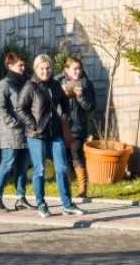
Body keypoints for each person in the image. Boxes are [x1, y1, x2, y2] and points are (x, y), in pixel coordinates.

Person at [16, 54, 85, 218]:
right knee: (39, 170)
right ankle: (41, 204)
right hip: (36, 135)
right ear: (36, 69)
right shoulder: (30, 86)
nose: (45, 71)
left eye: (48, 68)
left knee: (62, 168)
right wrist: (33, 124)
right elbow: (20, 108)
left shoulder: (55, 84)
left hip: (55, 134)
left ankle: (67, 204)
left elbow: (64, 101)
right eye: (42, 68)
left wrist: (65, 115)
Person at [0, 52, 34, 212]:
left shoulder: (24, 84)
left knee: (22, 166)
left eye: (24, 65)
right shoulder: (4, 84)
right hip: (11, 133)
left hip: (26, 133)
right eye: (19, 65)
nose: (23, 68)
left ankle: (20, 198)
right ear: (10, 66)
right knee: (7, 164)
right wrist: (14, 123)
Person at [55, 56, 97, 198]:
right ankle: (65, 189)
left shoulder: (86, 83)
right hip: (59, 125)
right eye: (75, 69)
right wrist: (60, 92)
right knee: (62, 158)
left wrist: (80, 97)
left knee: (76, 156)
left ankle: (82, 189)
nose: (78, 71)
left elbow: (90, 106)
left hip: (77, 126)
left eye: (80, 68)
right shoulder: (56, 81)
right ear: (66, 70)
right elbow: (49, 102)